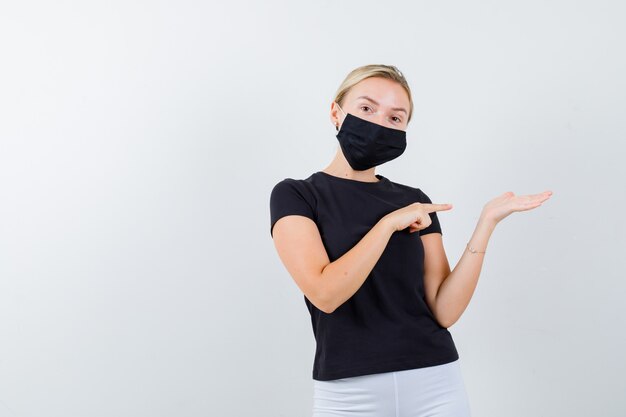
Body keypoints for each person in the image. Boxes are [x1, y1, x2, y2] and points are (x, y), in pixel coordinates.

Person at [269, 64, 552, 417]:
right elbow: (325, 294)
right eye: (367, 108)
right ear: (336, 112)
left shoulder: (413, 200)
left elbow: (444, 310)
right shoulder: (297, 195)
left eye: (395, 118)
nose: (378, 124)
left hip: (436, 383)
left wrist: (486, 224)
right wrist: (386, 225)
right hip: (349, 394)